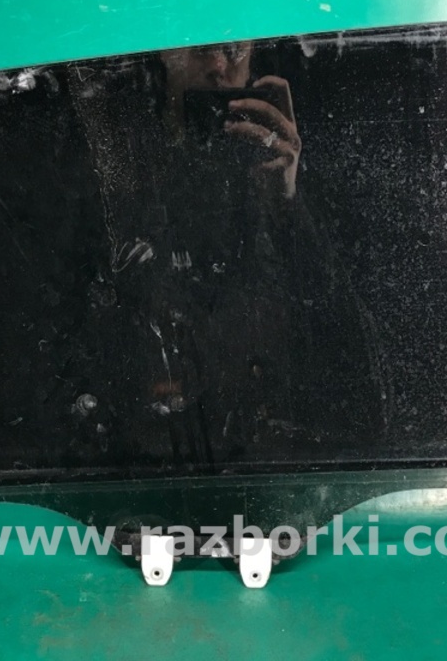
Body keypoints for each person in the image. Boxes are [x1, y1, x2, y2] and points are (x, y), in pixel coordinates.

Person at [67, 40, 386, 474]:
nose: (218, 67)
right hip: (147, 477)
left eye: (235, 50)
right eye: (198, 48)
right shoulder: (109, 186)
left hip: (275, 477)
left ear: (255, 61)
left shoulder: (295, 190)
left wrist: (287, 207)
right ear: (159, 60)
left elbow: (363, 398)